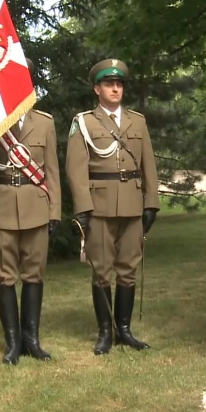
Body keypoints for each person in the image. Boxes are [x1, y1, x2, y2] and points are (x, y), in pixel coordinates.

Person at [65, 58, 159, 355]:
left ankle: (125, 330)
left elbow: (149, 165)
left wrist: (152, 202)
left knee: (128, 268)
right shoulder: (84, 122)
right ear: (97, 89)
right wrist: (83, 207)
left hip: (132, 202)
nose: (115, 88)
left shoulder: (138, 121)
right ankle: (105, 332)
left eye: (119, 84)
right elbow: (75, 168)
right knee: (102, 270)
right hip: (100, 204)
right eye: (109, 84)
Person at [0, 57, 61, 364]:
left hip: (37, 204)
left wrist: (55, 211)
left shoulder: (44, 122)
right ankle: (12, 343)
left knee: (34, 274)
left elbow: (52, 171)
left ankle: (32, 340)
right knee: (4, 276)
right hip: (2, 206)